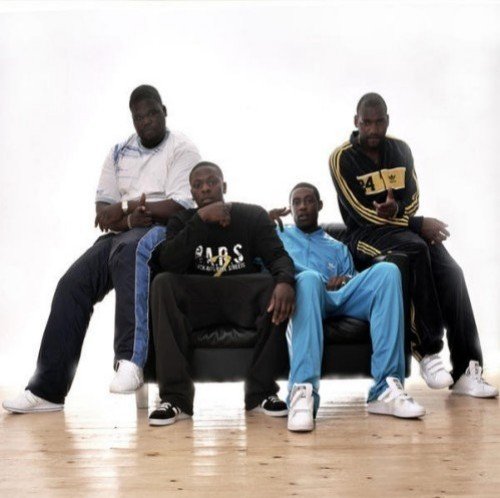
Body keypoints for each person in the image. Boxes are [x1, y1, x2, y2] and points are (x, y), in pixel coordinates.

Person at [3, 85, 201, 414]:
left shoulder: (182, 149)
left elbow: (179, 206)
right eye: (139, 117)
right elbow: (103, 213)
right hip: (125, 231)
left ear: (164, 111)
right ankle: (47, 390)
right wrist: (128, 215)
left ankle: (130, 361)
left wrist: (132, 210)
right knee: (72, 284)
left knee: (132, 251)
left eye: (152, 113)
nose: (147, 121)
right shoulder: (119, 152)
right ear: (133, 120)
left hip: (164, 231)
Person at [328, 92, 497, 398]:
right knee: (415, 249)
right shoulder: (341, 158)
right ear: (356, 122)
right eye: (367, 123)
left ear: (387, 120)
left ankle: (466, 370)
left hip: (402, 230)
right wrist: (415, 224)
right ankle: (427, 351)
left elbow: (413, 198)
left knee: (452, 273)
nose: (373, 129)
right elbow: (361, 212)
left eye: (379, 122)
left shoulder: (400, 149)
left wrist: (400, 212)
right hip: (364, 237)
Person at [148, 161, 295, 426]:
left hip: (240, 295)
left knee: (273, 285)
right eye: (198, 185)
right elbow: (169, 262)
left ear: (223, 186)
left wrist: (285, 281)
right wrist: (201, 219)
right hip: (200, 299)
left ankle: (261, 394)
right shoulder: (181, 221)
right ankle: (175, 399)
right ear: (192, 193)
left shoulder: (251, 215)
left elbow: (278, 257)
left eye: (212, 182)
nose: (205, 188)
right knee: (163, 283)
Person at [270, 183, 425, 432]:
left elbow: (353, 281)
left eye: (308, 201)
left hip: (339, 297)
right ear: (290, 208)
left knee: (388, 271)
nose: (302, 207)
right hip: (307, 295)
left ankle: (384, 390)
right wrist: (261, 223)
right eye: (296, 202)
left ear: (319, 205)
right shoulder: (278, 236)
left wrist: (345, 280)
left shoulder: (337, 247)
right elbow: (249, 252)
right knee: (308, 279)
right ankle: (302, 393)